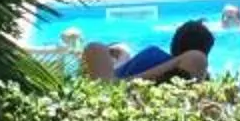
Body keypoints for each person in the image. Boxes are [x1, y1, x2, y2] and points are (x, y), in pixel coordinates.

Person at [83, 18, 215, 83]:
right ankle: (121, 60)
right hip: (120, 77)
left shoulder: (195, 59)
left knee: (95, 47)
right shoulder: (200, 72)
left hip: (119, 83)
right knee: (102, 49)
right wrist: (123, 57)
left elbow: (123, 79)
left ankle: (112, 80)